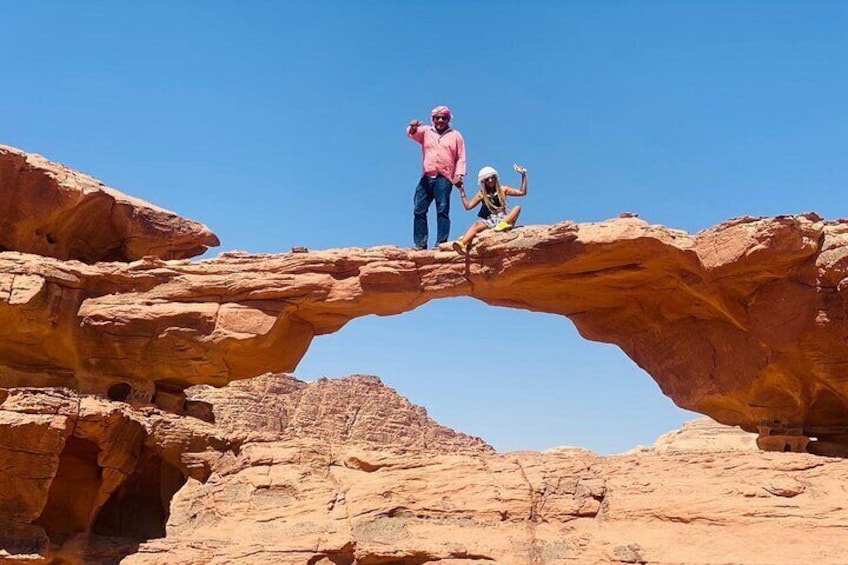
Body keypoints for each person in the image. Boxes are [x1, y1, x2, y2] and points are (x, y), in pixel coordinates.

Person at [407, 106, 467, 249]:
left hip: (444, 177)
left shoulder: (456, 135)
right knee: (419, 209)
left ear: (448, 119)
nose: (440, 120)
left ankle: (441, 243)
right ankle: (420, 244)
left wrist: (459, 175)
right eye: (437, 118)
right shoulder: (427, 131)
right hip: (428, 175)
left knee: (442, 210)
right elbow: (412, 134)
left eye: (444, 118)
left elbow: (461, 157)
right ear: (432, 119)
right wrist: (413, 126)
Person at [452, 164, 528, 254]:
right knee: (476, 225)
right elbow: (468, 206)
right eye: (487, 179)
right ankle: (462, 244)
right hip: (490, 219)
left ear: (496, 178)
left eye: (492, 177)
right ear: (483, 181)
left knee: (517, 208)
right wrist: (461, 190)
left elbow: (522, 192)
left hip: (504, 217)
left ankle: (502, 224)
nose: (490, 180)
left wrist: (523, 175)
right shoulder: (481, 194)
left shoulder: (503, 189)